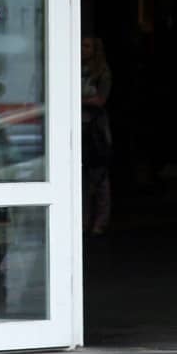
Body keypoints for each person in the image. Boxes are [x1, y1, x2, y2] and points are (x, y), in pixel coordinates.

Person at [81, 36, 112, 236]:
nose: (83, 49)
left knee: (99, 177)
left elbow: (100, 100)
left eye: (87, 46)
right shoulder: (76, 69)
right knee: (82, 177)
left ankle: (100, 221)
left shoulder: (102, 73)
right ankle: (83, 221)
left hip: (95, 129)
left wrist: (78, 98)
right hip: (80, 126)